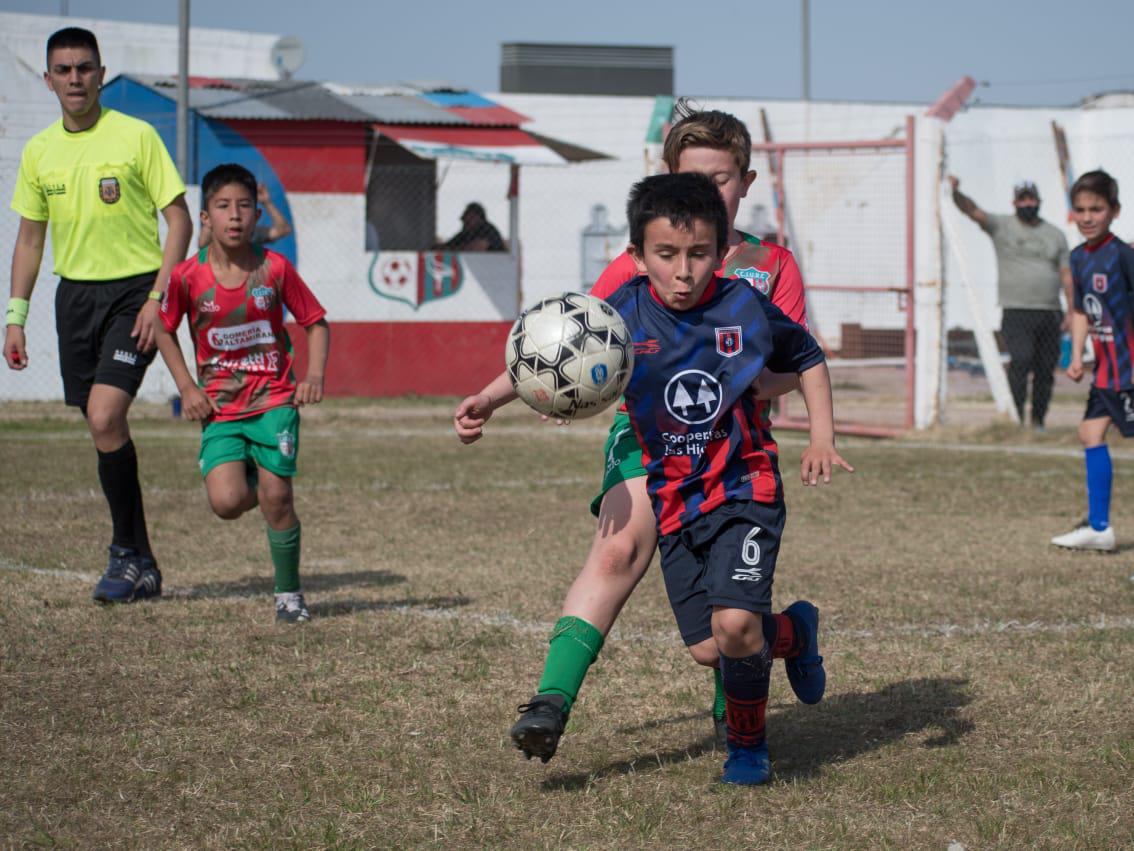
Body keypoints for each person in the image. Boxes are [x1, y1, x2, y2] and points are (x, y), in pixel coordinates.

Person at [453, 108, 809, 763]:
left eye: (723, 179)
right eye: (693, 177)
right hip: (645, 438)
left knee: (720, 613)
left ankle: (755, 663)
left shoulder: (768, 267)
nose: (710, 191)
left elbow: (792, 366)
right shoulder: (633, 265)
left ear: (745, 183)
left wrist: (745, 380)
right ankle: (549, 701)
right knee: (616, 552)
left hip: (728, 452)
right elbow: (573, 342)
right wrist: (497, 394)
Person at [4, 27, 192, 603]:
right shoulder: (39, 151)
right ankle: (143, 560)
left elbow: (179, 220)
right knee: (99, 425)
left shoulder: (136, 137)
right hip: (74, 299)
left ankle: (122, 553)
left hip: (134, 296)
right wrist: (16, 314)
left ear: (101, 73)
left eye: (84, 68)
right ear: (49, 79)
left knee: (107, 416)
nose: (75, 79)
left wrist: (159, 295)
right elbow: (31, 240)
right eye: (63, 70)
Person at [152, 164, 330, 622]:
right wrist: (187, 387)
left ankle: (289, 595)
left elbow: (315, 322)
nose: (235, 216)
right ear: (206, 217)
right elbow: (163, 328)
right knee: (227, 503)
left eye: (245, 206)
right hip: (221, 409)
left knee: (278, 498)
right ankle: (255, 475)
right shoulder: (188, 277)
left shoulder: (274, 268)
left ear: (255, 216)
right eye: (224, 206)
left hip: (274, 400)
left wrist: (313, 377)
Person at [948, 175, 1072, 430]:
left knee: (1045, 369)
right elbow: (973, 211)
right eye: (1023, 199)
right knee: (1021, 360)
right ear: (1014, 202)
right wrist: (954, 192)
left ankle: (1038, 420)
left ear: (1039, 201)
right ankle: (1014, 417)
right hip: (1016, 310)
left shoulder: (1055, 234)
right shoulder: (1002, 226)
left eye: (1032, 198)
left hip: (1049, 311)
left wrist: (1072, 309)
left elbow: (1066, 274)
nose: (1028, 203)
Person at [1051, 170, 1132, 552]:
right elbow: (1082, 308)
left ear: (1113, 210)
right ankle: (1099, 528)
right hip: (1106, 374)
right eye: (1080, 209)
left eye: (1096, 209)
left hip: (1129, 372)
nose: (1087, 217)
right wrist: (1079, 352)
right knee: (1089, 434)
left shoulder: (1123, 256)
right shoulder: (1078, 257)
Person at [198, 182, 291, 249]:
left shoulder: (252, 233)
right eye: (224, 205)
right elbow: (202, 243)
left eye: (243, 205)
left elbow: (283, 230)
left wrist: (267, 202)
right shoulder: (214, 232)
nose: (235, 213)